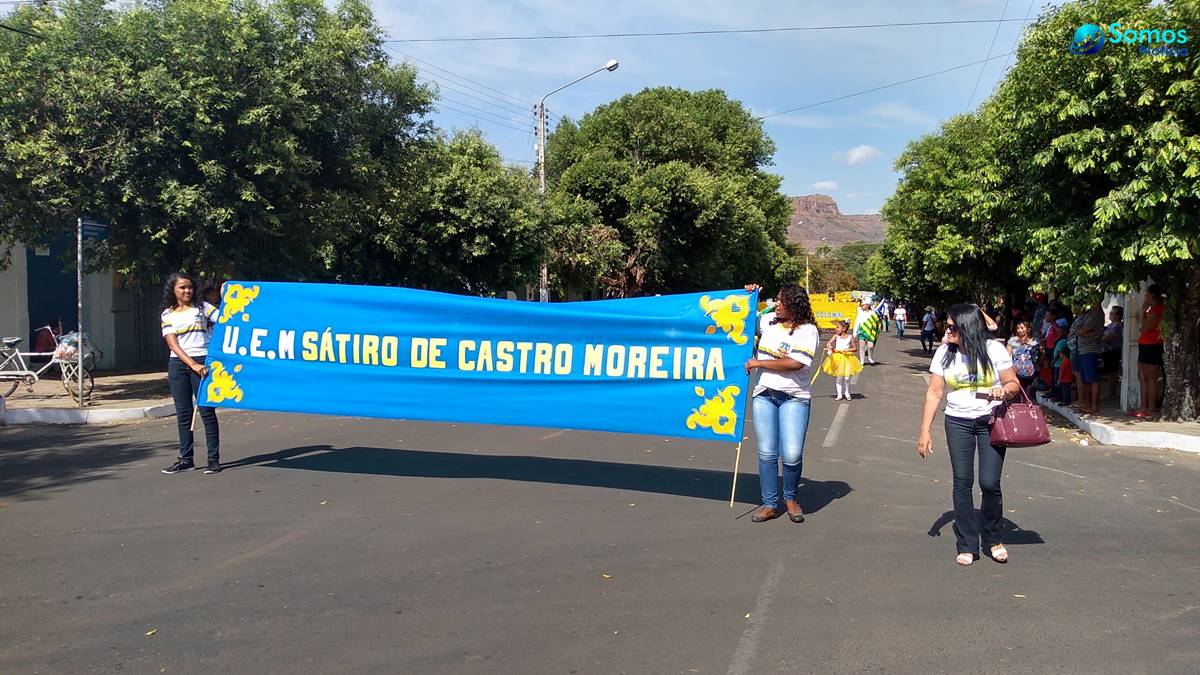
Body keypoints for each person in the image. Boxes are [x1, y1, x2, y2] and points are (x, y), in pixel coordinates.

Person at [917, 304, 1020, 566]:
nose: (947, 331)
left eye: (953, 327)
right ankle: (967, 543)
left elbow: (1013, 383)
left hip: (992, 421)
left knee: (989, 483)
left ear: (968, 328)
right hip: (957, 422)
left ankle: (993, 539)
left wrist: (1004, 391)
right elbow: (934, 393)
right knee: (962, 482)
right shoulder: (944, 353)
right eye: (947, 325)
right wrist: (925, 432)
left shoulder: (993, 349)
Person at [743, 283, 820, 524]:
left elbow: (795, 363)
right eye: (776, 300)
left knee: (792, 454)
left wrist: (758, 363)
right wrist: (749, 296)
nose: (776, 304)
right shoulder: (768, 323)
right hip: (764, 395)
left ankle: (791, 499)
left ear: (794, 304)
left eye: (781, 300)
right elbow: (742, 320)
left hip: (794, 398)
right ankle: (769, 504)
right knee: (767, 452)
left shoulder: (808, 331)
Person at [160, 272, 222, 475]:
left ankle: (213, 460)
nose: (187, 291)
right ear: (173, 290)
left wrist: (226, 296)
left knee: (206, 411)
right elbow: (172, 344)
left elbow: (226, 319)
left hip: (204, 361)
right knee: (184, 413)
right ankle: (186, 459)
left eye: (190, 287)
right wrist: (192, 364)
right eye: (182, 287)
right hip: (179, 364)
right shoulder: (167, 314)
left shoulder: (203, 307)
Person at [1134, 284, 1166, 418]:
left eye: (1147, 293)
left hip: (1152, 344)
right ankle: (1144, 406)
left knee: (1151, 377)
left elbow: (1144, 328)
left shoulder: (1158, 310)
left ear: (1152, 295)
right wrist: (1143, 311)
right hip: (1146, 344)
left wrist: (1143, 311)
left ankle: (1151, 407)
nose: (1145, 296)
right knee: (1142, 376)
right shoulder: (1152, 309)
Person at [1074, 296, 1105, 415]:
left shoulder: (1096, 314)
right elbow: (1079, 329)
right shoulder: (1089, 314)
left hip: (1090, 350)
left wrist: (1081, 331)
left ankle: (1094, 407)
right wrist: (1080, 331)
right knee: (1086, 379)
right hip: (1083, 350)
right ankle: (1086, 405)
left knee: (1092, 379)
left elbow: (1082, 330)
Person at [823, 319, 862, 401]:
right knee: (839, 377)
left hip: (847, 358)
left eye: (838, 327)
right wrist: (829, 345)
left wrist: (848, 350)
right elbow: (829, 342)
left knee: (847, 377)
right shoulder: (836, 336)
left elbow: (855, 348)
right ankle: (839, 394)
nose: (836, 329)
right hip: (837, 358)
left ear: (844, 329)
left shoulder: (850, 337)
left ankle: (847, 392)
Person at [1006, 321, 1039, 392]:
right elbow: (1007, 356)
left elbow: (1037, 357)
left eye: (1022, 328)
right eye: (1018, 328)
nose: (1020, 330)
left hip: (1030, 372)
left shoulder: (1034, 342)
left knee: (1028, 391)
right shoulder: (1012, 341)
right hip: (1016, 372)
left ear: (1028, 329)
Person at [1101, 306, 1124, 401]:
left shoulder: (1117, 326)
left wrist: (1099, 338)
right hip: (1107, 351)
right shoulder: (1111, 325)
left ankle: (1112, 393)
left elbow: (1109, 337)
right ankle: (1111, 392)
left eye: (1113, 313)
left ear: (1119, 316)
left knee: (1112, 372)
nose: (1110, 315)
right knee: (1110, 372)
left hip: (1113, 351)